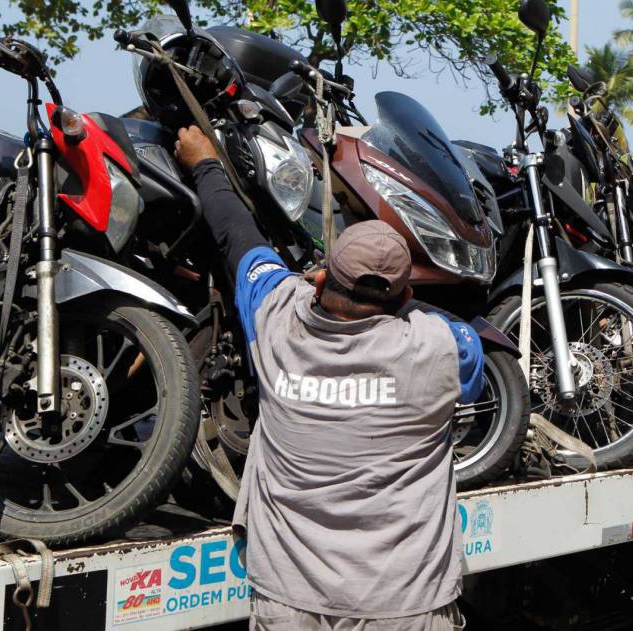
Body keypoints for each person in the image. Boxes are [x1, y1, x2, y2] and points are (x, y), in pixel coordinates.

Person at [175, 125, 479, 630]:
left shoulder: (276, 315)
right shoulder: (438, 347)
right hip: (407, 604)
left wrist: (205, 162)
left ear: (318, 277)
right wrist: (401, 305)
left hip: (289, 599)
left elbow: (236, 236)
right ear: (403, 299)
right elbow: (469, 344)